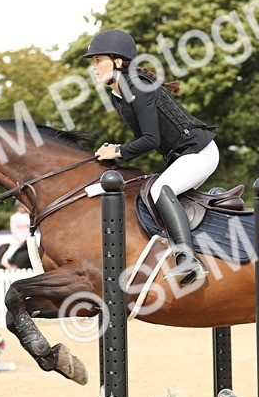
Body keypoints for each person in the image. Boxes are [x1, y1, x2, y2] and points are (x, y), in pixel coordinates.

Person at [83, 29, 218, 286]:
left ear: (118, 61)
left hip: (200, 152)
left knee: (160, 190)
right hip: (182, 157)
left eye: (98, 60)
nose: (94, 67)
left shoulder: (139, 87)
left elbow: (151, 140)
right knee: (149, 196)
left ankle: (189, 260)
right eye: (94, 62)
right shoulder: (118, 94)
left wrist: (119, 150)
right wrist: (116, 151)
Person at [1, 202, 35, 270]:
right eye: (20, 206)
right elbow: (14, 230)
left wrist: (29, 238)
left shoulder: (29, 216)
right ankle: (11, 268)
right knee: (4, 260)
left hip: (29, 239)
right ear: (17, 207)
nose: (21, 208)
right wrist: (22, 239)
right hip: (18, 241)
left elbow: (32, 228)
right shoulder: (14, 217)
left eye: (23, 206)